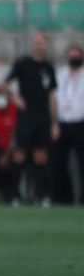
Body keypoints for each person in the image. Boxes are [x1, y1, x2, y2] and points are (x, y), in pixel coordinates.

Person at [7, 30, 59, 204]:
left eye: (42, 42)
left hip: (43, 117)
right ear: (32, 44)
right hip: (26, 116)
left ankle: (42, 195)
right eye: (36, 42)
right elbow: (3, 84)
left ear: (46, 45)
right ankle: (15, 195)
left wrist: (54, 121)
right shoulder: (23, 64)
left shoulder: (49, 68)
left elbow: (52, 95)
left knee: (41, 157)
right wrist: (15, 98)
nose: (39, 45)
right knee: (20, 155)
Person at [53, 42, 84, 205]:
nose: (75, 57)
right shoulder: (59, 74)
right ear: (67, 56)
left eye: (78, 54)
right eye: (72, 54)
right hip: (62, 124)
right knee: (59, 163)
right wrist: (54, 122)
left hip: (80, 124)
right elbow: (53, 99)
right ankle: (63, 198)